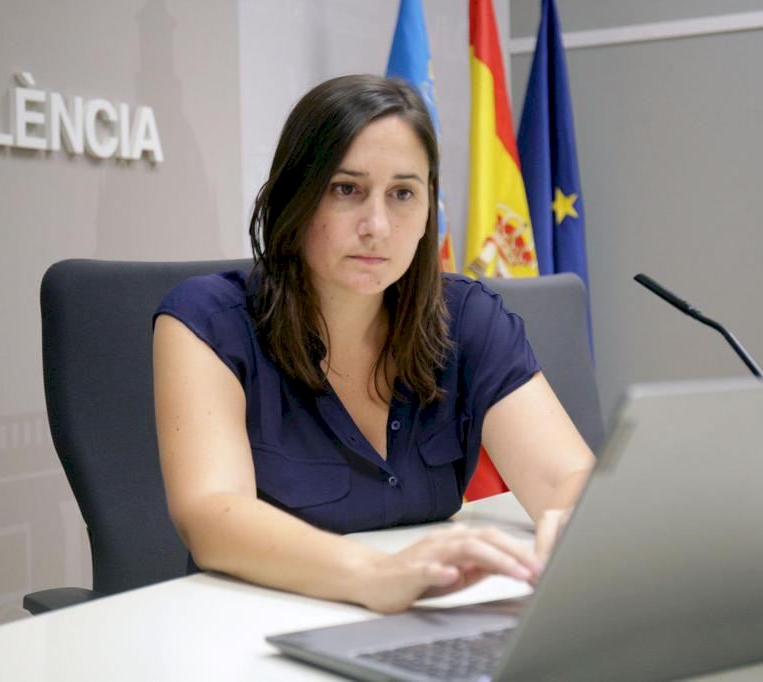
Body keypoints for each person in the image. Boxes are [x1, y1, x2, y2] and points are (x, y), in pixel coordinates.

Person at [152, 74, 595, 614]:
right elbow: (212, 516)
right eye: (347, 189)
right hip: (250, 624)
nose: (377, 226)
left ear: (429, 211)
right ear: (295, 198)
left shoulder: (466, 317)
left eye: (403, 193)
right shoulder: (207, 320)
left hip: (424, 620)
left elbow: (565, 475)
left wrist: (573, 521)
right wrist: (379, 576)